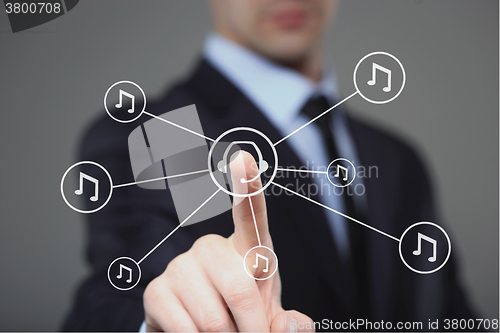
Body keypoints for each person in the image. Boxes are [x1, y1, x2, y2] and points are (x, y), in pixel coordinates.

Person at [63, 0, 475, 331]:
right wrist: (154, 323)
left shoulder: (396, 157)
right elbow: (115, 293)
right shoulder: (162, 133)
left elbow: (449, 310)